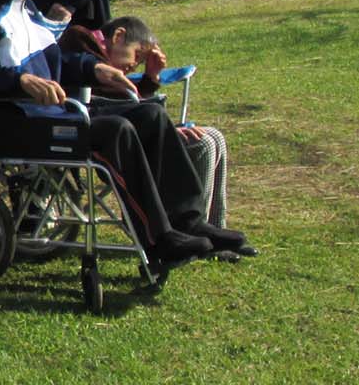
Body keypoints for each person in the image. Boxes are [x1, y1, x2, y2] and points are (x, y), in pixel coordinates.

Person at [0, 0, 249, 266]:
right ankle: (158, 239)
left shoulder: (24, 3)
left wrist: (95, 68)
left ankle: (188, 220)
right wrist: (19, 81)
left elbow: (55, 60)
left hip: (50, 113)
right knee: (115, 131)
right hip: (10, 120)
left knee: (150, 114)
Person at [59, 16, 254, 255]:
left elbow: (122, 98)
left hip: (105, 115)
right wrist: (146, 86)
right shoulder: (80, 39)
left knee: (211, 136)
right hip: (78, 121)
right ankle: (174, 233)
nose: (133, 66)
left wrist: (150, 79)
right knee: (200, 142)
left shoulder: (104, 61)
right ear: (118, 36)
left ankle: (194, 223)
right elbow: (105, 90)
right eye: (137, 55)